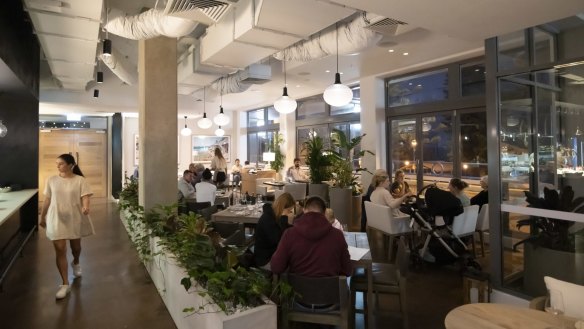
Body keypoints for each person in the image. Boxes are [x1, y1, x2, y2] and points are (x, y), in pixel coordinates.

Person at [39, 153, 94, 300]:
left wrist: (86, 207)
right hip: (55, 217)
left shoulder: (80, 180)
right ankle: (64, 284)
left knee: (76, 248)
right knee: (60, 249)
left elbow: (85, 196)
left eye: (61, 163)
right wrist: (42, 216)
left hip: (74, 217)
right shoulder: (51, 180)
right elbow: (47, 199)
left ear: (71, 165)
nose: (57, 166)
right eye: (57, 163)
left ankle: (76, 261)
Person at [271, 196, 352, 277]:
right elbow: (348, 270)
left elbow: (276, 267)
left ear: (304, 210)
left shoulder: (289, 234)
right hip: (329, 288)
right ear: (324, 213)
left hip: (297, 288)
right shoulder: (337, 235)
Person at [254, 192, 296, 270]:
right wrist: (284, 218)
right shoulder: (267, 219)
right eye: (289, 210)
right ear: (283, 208)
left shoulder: (274, 216)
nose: (290, 213)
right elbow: (280, 240)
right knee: (296, 264)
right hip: (265, 260)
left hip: (273, 254)